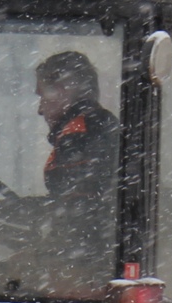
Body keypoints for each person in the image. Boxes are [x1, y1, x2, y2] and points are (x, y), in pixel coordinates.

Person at [34, 50, 120, 209]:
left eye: (42, 96)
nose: (40, 110)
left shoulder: (77, 136)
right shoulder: (99, 124)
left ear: (60, 92)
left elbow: (78, 213)